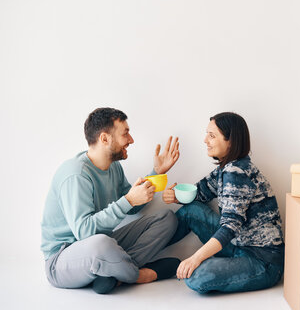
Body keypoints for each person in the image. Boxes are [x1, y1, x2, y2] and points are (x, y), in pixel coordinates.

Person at [41, 107, 181, 294]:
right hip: (62, 260)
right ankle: (138, 275)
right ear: (105, 138)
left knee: (167, 218)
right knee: (102, 244)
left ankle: (112, 273)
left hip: (101, 244)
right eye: (126, 134)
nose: (131, 140)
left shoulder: (113, 168)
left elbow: (132, 207)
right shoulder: (76, 175)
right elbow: (84, 233)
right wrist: (128, 201)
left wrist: (157, 173)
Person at [163, 112, 284, 294]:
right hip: (238, 244)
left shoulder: (237, 172)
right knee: (191, 210)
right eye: (207, 134)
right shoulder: (225, 168)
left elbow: (229, 227)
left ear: (231, 141)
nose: (205, 140)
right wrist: (176, 195)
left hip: (262, 261)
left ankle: (167, 266)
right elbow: (200, 192)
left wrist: (196, 258)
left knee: (197, 278)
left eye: (212, 136)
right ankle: (139, 256)